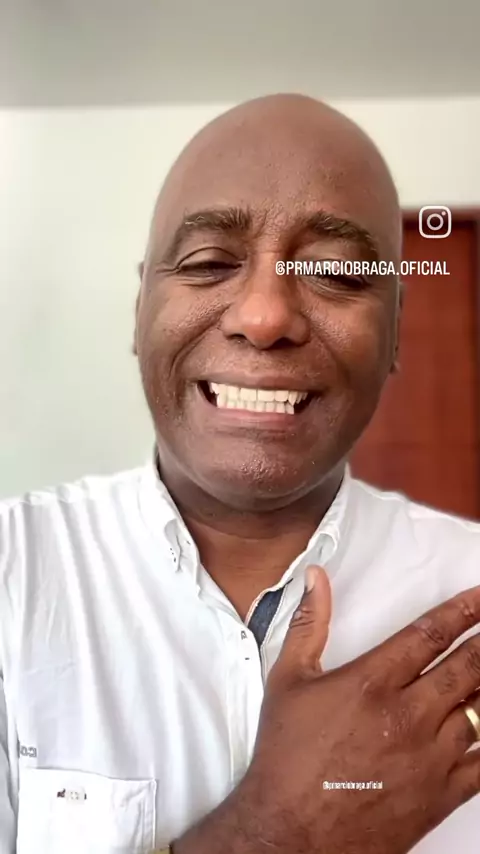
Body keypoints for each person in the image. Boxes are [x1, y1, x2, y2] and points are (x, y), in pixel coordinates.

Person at [1, 93, 479, 854]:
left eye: (334, 273)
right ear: (140, 310)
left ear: (395, 331)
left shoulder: (469, 593)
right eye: (209, 264)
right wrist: (275, 835)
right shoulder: (13, 573)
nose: (263, 317)